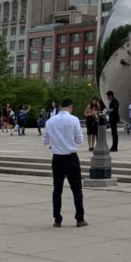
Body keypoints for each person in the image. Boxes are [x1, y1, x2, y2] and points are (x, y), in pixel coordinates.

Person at [43, 98, 87, 228]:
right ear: (71, 107)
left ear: (60, 106)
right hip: (71, 157)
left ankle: (57, 219)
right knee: (77, 189)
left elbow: (45, 141)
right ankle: (80, 218)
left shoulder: (50, 121)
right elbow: (79, 139)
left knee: (57, 190)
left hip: (57, 158)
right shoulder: (74, 120)